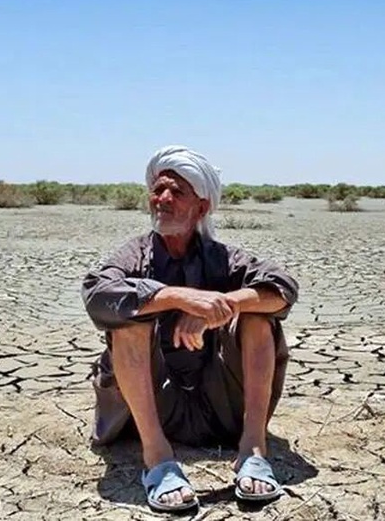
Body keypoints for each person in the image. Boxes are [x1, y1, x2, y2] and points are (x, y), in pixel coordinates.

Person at [81, 145, 300, 513]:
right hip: (151, 408)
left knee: (258, 314)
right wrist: (176, 297)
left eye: (176, 191)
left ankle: (253, 449)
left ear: (202, 207)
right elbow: (97, 294)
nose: (162, 199)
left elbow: (282, 288)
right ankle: (158, 459)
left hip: (219, 405)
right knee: (128, 319)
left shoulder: (223, 258)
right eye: (158, 189)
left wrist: (221, 305)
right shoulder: (135, 255)